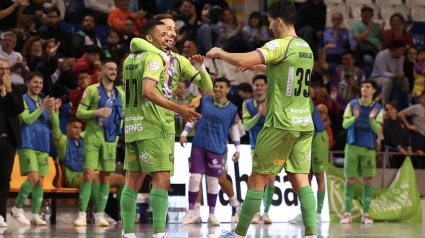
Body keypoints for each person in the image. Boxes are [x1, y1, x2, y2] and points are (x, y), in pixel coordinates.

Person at [206, 0, 317, 237]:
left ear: (278, 20)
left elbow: (246, 59)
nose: (269, 26)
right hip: (303, 123)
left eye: (269, 21)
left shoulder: (279, 44)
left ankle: (238, 234)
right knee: (301, 181)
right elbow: (287, 70)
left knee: (257, 179)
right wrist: (261, 68)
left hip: (280, 123)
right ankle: (311, 234)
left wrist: (220, 53)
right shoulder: (305, 47)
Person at [120, 20, 201, 238]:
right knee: (161, 180)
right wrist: (179, 109)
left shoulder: (129, 59)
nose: (168, 37)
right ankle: (159, 234)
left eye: (170, 32)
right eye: (163, 33)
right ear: (149, 38)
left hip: (133, 125)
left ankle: (127, 234)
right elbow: (147, 90)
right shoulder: (154, 57)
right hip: (153, 126)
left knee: (132, 182)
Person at [180, 77, 240, 226]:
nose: (218, 89)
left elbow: (234, 129)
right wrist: (184, 133)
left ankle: (215, 213)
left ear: (228, 90)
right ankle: (193, 212)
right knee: (195, 178)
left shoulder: (232, 109)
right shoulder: (204, 100)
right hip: (199, 146)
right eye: (216, 86)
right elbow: (194, 117)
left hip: (218, 149)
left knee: (215, 180)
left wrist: (238, 149)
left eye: (221, 87)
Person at [74, 60, 124, 227]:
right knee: (88, 174)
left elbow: (122, 118)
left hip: (110, 140)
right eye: (110, 68)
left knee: (105, 177)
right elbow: (80, 111)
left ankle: (100, 214)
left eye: (115, 69)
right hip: (92, 138)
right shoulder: (91, 90)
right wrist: (95, 112)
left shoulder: (120, 93)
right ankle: (81, 214)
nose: (113, 71)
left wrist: (117, 136)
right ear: (102, 72)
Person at [11, 72, 55, 226]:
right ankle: (17, 208)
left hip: (43, 144)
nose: (38, 86)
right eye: (35, 82)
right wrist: (43, 106)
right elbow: (27, 119)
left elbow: (53, 124)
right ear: (28, 83)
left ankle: (35, 215)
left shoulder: (44, 102)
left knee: (40, 181)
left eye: (41, 83)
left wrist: (53, 110)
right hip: (27, 143)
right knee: (33, 178)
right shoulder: (22, 99)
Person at [340, 80, 383, 224]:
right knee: (350, 180)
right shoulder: (352, 105)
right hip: (352, 147)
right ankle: (347, 214)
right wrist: (355, 117)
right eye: (363, 86)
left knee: (367, 180)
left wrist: (371, 119)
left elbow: (378, 130)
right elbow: (344, 124)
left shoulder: (377, 108)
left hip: (368, 149)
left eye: (368, 87)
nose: (364, 88)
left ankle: (366, 214)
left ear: (373, 91)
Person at [289, 96, 329, 225]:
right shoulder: (291, 101)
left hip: (318, 139)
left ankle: (318, 214)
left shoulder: (306, 99)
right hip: (305, 140)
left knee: (320, 177)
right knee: (306, 178)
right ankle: (306, 213)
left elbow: (303, 122)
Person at [241, 75, 274, 224]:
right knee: (256, 179)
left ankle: (266, 213)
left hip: (273, 145)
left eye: (262, 85)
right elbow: (246, 126)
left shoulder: (273, 102)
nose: (259, 87)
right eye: (256, 85)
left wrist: (267, 114)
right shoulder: (247, 104)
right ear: (253, 87)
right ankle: (254, 213)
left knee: (271, 179)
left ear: (266, 86)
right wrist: (259, 114)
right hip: (255, 146)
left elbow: (278, 123)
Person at [0, 59, 24, 227]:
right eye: (1, 69)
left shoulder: (15, 90)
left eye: (7, 69)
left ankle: (1, 216)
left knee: (4, 180)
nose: (4, 72)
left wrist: (8, 91)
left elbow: (19, 109)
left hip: (9, 141)